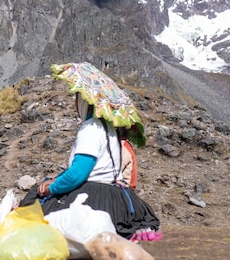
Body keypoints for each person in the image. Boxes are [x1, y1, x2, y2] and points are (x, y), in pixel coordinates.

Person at [19, 93, 162, 241]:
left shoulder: (91, 128)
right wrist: (56, 179)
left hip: (95, 196)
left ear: (84, 102)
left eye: (77, 98)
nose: (75, 103)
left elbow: (77, 174)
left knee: (34, 201)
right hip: (119, 199)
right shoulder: (110, 128)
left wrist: (51, 188)